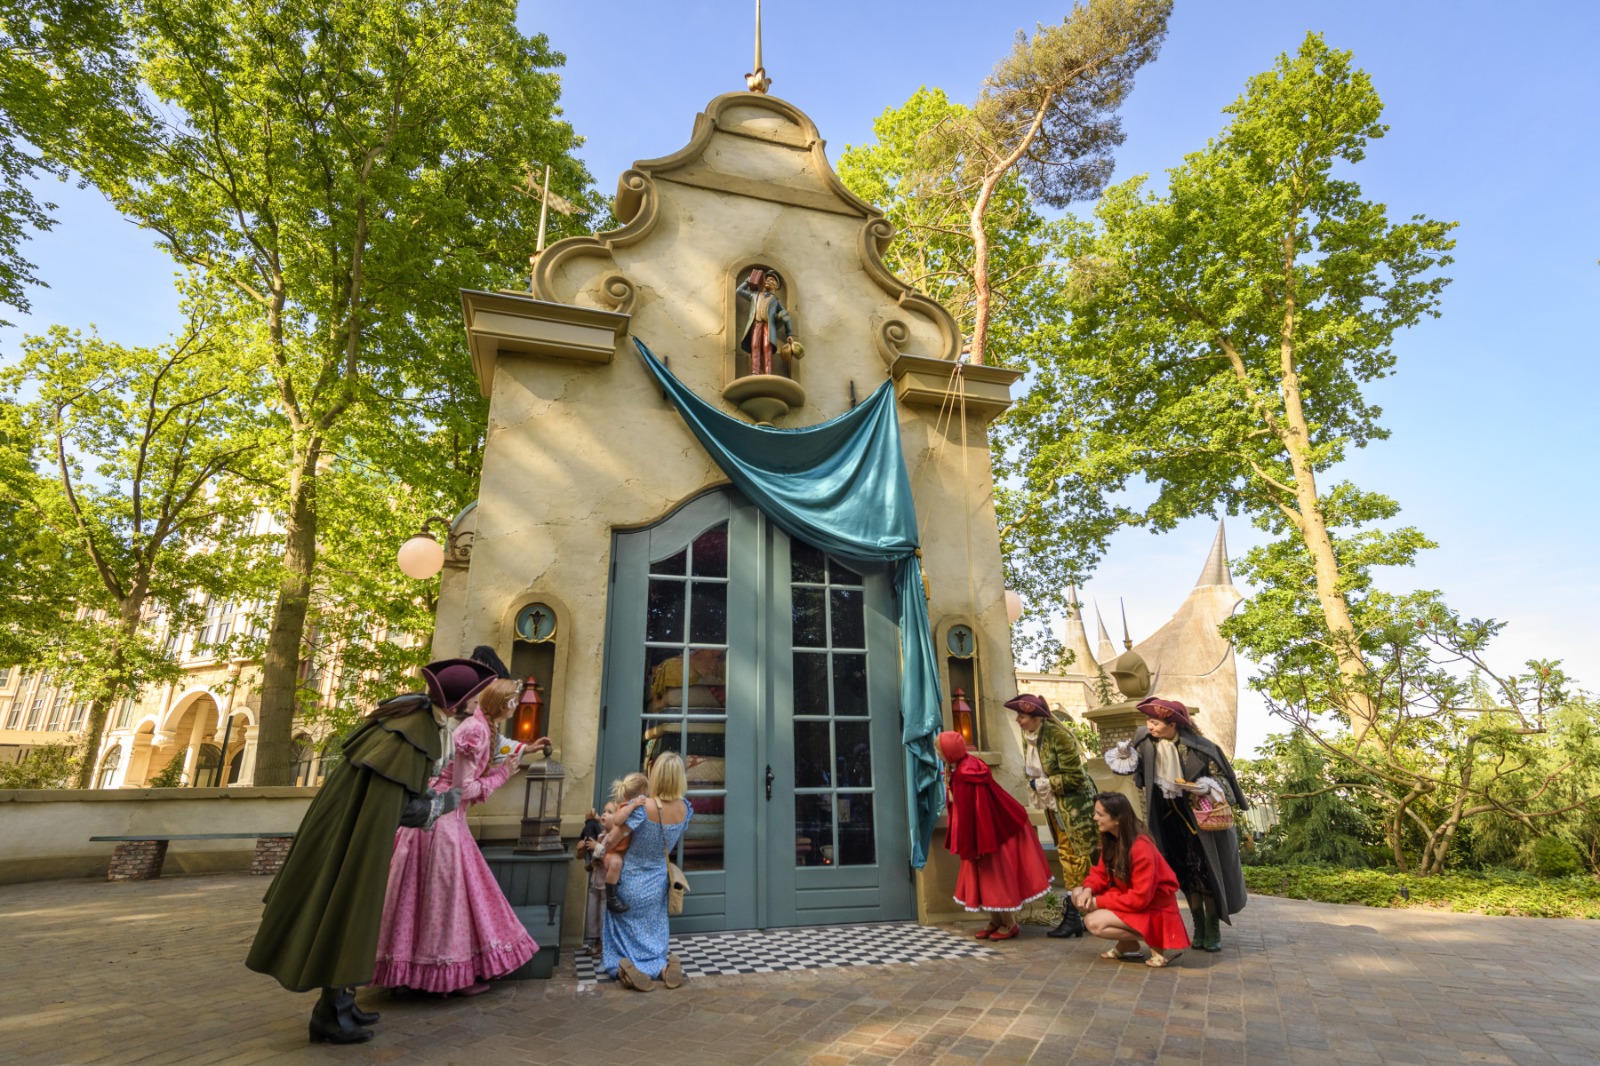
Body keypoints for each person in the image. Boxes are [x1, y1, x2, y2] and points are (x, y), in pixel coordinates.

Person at [246, 656, 498, 1045]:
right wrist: (441, 804)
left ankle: (341, 1004)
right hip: (352, 837)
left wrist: (428, 797)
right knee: (345, 912)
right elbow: (400, 806)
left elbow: (394, 791)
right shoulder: (414, 730)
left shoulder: (415, 720)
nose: (478, 704)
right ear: (458, 701)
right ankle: (331, 1016)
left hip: (359, 831)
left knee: (350, 913)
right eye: (475, 697)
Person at [372, 677, 552, 997]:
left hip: (443, 822)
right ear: (503, 705)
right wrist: (502, 775)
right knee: (444, 900)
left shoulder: (482, 727)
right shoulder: (474, 730)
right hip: (440, 825)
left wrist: (527, 748)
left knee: (427, 899)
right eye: (513, 701)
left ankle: (416, 974)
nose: (516, 706)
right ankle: (441, 976)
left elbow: (495, 747)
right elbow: (462, 788)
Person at [1106, 696, 1250, 952]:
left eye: (1155, 722)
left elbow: (1225, 784)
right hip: (1168, 824)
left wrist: (1206, 787)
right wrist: (1124, 754)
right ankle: (1198, 928)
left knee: (1207, 876)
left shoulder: (1200, 748)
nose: (1150, 726)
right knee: (1185, 876)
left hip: (1201, 824)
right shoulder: (1146, 742)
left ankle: (1213, 929)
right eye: (1149, 721)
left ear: (1173, 724)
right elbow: (1130, 771)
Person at [937, 730, 1053, 941]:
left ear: (949, 752)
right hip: (989, 828)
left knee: (995, 877)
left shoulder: (965, 774)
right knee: (985, 877)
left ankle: (1010, 923)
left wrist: (974, 842)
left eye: (939, 750)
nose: (937, 753)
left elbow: (973, 810)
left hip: (991, 831)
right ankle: (996, 920)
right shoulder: (963, 767)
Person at [1005, 693, 1095, 939]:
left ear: (1036, 717)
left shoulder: (1058, 736)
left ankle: (1075, 916)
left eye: (1022, 716)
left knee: (1074, 857)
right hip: (1054, 806)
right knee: (1068, 856)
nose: (1018, 720)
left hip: (1074, 807)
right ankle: (1082, 914)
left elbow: (1076, 778)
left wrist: (1043, 784)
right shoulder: (1031, 737)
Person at [603, 751, 694, 991]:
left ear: (657, 776)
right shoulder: (685, 809)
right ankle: (661, 968)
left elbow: (612, 840)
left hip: (630, 879)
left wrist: (601, 851)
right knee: (653, 930)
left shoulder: (643, 808)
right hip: (657, 882)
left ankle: (625, 968)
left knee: (621, 929)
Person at [1072, 792, 1190, 968]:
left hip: (1154, 909)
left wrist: (1098, 902)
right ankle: (1128, 944)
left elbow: (1139, 899)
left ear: (1117, 819)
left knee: (1093, 923)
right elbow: (1101, 872)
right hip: (1130, 898)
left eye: (1100, 814)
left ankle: (1157, 939)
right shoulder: (1112, 838)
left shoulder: (1141, 847)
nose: (1095, 818)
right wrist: (1088, 889)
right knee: (1077, 893)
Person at [597, 772, 649, 914]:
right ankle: (611, 899)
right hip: (614, 851)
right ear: (641, 792)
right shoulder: (626, 805)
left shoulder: (637, 807)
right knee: (616, 864)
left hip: (622, 850)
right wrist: (632, 806)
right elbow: (618, 820)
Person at [736, 267, 801, 375]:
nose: (768, 281)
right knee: (755, 346)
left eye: (772, 280)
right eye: (767, 279)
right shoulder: (754, 295)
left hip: (768, 326)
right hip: (756, 324)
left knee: (767, 347)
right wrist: (748, 281)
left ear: (776, 286)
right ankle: (755, 371)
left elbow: (786, 315)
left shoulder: (775, 300)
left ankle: (768, 372)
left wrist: (789, 333)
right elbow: (739, 291)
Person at [578, 805, 607, 956]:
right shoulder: (599, 833)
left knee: (604, 914)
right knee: (593, 912)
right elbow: (580, 856)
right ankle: (596, 942)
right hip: (595, 880)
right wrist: (582, 848)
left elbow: (613, 858)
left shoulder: (614, 835)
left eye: (610, 812)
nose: (604, 815)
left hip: (607, 883)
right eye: (604, 811)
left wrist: (598, 847)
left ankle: (604, 944)